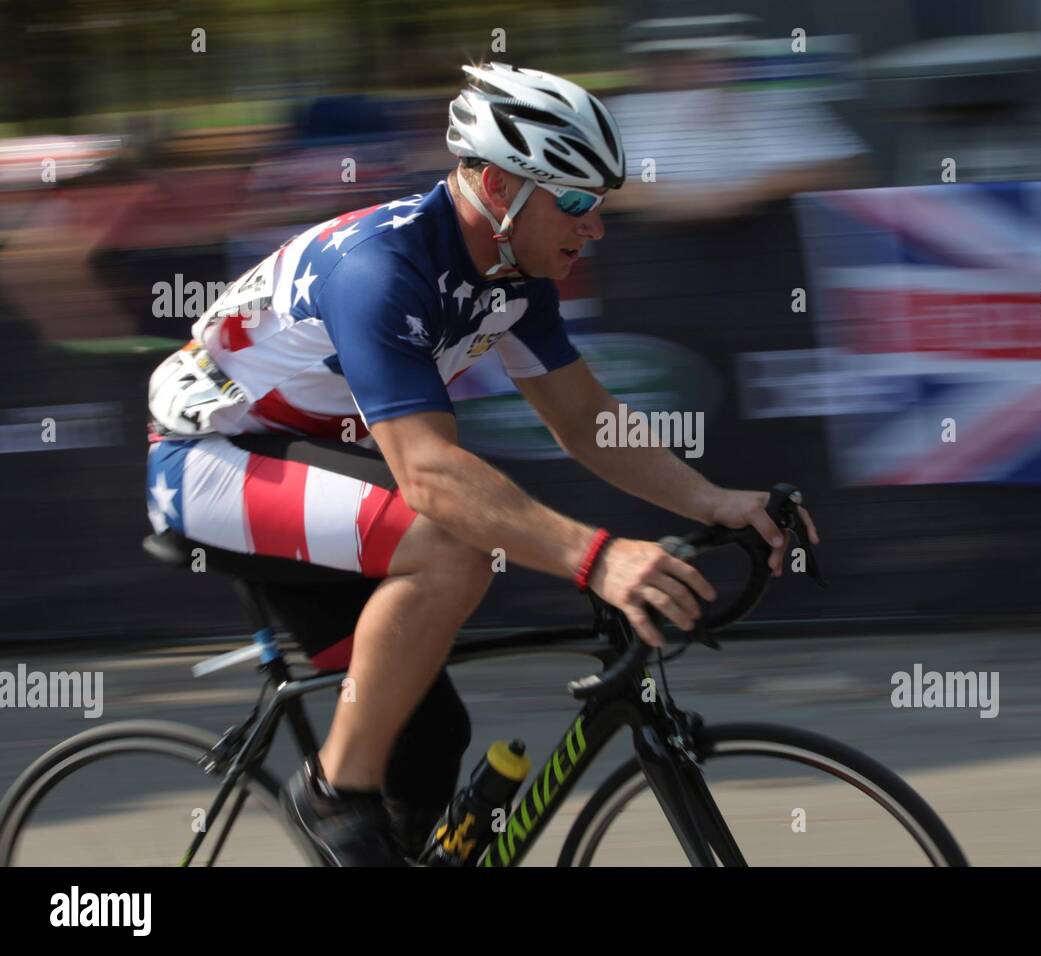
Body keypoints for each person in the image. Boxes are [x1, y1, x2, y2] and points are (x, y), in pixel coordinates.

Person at [142, 62, 818, 866]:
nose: (595, 225)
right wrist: (596, 559)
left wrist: (713, 501)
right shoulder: (380, 270)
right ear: (499, 187)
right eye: (575, 201)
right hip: (204, 461)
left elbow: (584, 419)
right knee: (450, 545)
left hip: (316, 463)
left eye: (600, 204)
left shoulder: (513, 277)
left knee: (431, 740)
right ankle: (332, 788)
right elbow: (429, 474)